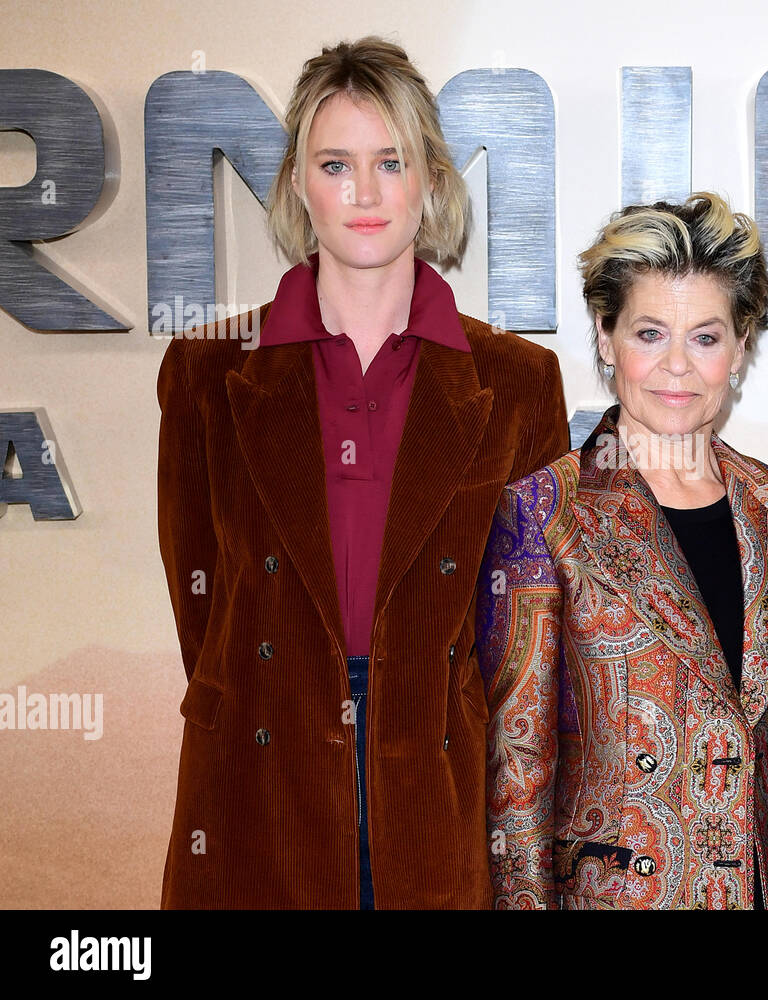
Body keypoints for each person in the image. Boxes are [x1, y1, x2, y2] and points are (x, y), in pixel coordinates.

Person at [155, 36, 569, 909]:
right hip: (257, 778)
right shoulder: (207, 369)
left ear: (430, 179)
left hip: (434, 782)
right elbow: (205, 608)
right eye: (336, 163)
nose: (367, 192)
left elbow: (524, 638)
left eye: (392, 161)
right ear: (300, 184)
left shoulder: (518, 382)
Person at [476, 191, 768, 909]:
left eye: (705, 336)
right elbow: (518, 768)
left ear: (739, 347)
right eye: (648, 333)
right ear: (605, 339)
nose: (678, 366)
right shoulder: (545, 513)